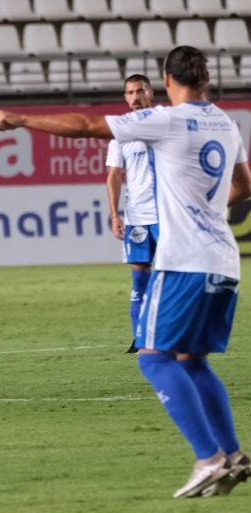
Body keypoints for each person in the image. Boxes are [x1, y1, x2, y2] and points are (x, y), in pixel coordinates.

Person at [0, 46, 251, 498]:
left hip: (183, 261)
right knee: (191, 360)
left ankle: (209, 458)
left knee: (154, 357)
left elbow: (86, 127)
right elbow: (245, 186)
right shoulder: (225, 121)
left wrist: (20, 119)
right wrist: (203, 206)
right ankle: (234, 454)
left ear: (167, 79)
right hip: (224, 261)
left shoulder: (166, 118)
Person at [105, 74, 158, 353]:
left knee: (172, 276)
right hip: (137, 217)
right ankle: (140, 338)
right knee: (140, 277)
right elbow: (114, 175)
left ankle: (172, 334)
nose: (135, 97)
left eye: (140, 91)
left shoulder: (167, 125)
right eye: (130, 93)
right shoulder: (121, 133)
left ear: (151, 93)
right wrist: (115, 214)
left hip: (168, 216)